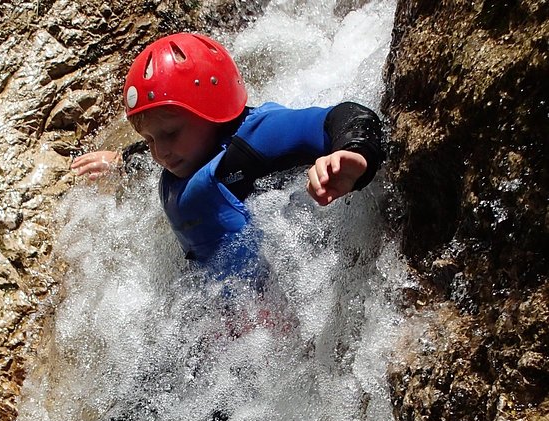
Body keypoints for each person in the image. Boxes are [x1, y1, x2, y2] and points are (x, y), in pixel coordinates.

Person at [71, 32, 384, 268]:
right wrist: (123, 160)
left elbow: (345, 116)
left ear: (213, 112)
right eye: (150, 139)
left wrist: (354, 153)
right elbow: (153, 152)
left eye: (169, 133)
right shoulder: (183, 153)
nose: (160, 152)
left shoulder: (258, 136)